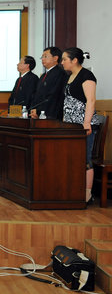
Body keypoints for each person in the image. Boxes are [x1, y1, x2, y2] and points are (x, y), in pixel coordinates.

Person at [61, 47, 97, 203]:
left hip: (83, 125)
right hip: (70, 125)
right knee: (71, 158)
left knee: (85, 159)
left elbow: (91, 100)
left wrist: (86, 123)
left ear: (74, 60)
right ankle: (73, 190)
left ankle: (87, 194)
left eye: (64, 59)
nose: (62, 62)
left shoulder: (86, 75)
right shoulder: (70, 76)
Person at [30, 47, 65, 119]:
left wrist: (40, 111)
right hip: (39, 114)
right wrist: (34, 109)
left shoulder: (60, 74)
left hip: (51, 115)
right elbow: (37, 94)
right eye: (42, 57)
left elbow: (54, 96)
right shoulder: (43, 75)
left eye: (45, 56)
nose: (42, 59)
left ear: (55, 58)